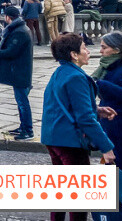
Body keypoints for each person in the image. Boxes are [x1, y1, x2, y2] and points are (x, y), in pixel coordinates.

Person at [41, 32, 116, 221]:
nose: (88, 52)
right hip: (70, 142)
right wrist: (106, 148)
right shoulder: (76, 77)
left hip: (54, 138)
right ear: (74, 54)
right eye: (84, 48)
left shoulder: (60, 72)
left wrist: (97, 110)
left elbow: (64, 105)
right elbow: (85, 119)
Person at [0, 6, 34, 139]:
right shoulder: (20, 28)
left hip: (20, 72)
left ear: (9, 17)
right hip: (20, 71)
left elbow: (11, 52)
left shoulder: (19, 32)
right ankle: (23, 127)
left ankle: (28, 130)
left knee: (23, 103)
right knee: (21, 101)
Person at [92, 31, 122, 171]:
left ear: (117, 49)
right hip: (110, 125)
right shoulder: (105, 67)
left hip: (121, 127)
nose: (100, 51)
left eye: (104, 47)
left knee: (120, 167)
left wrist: (101, 84)